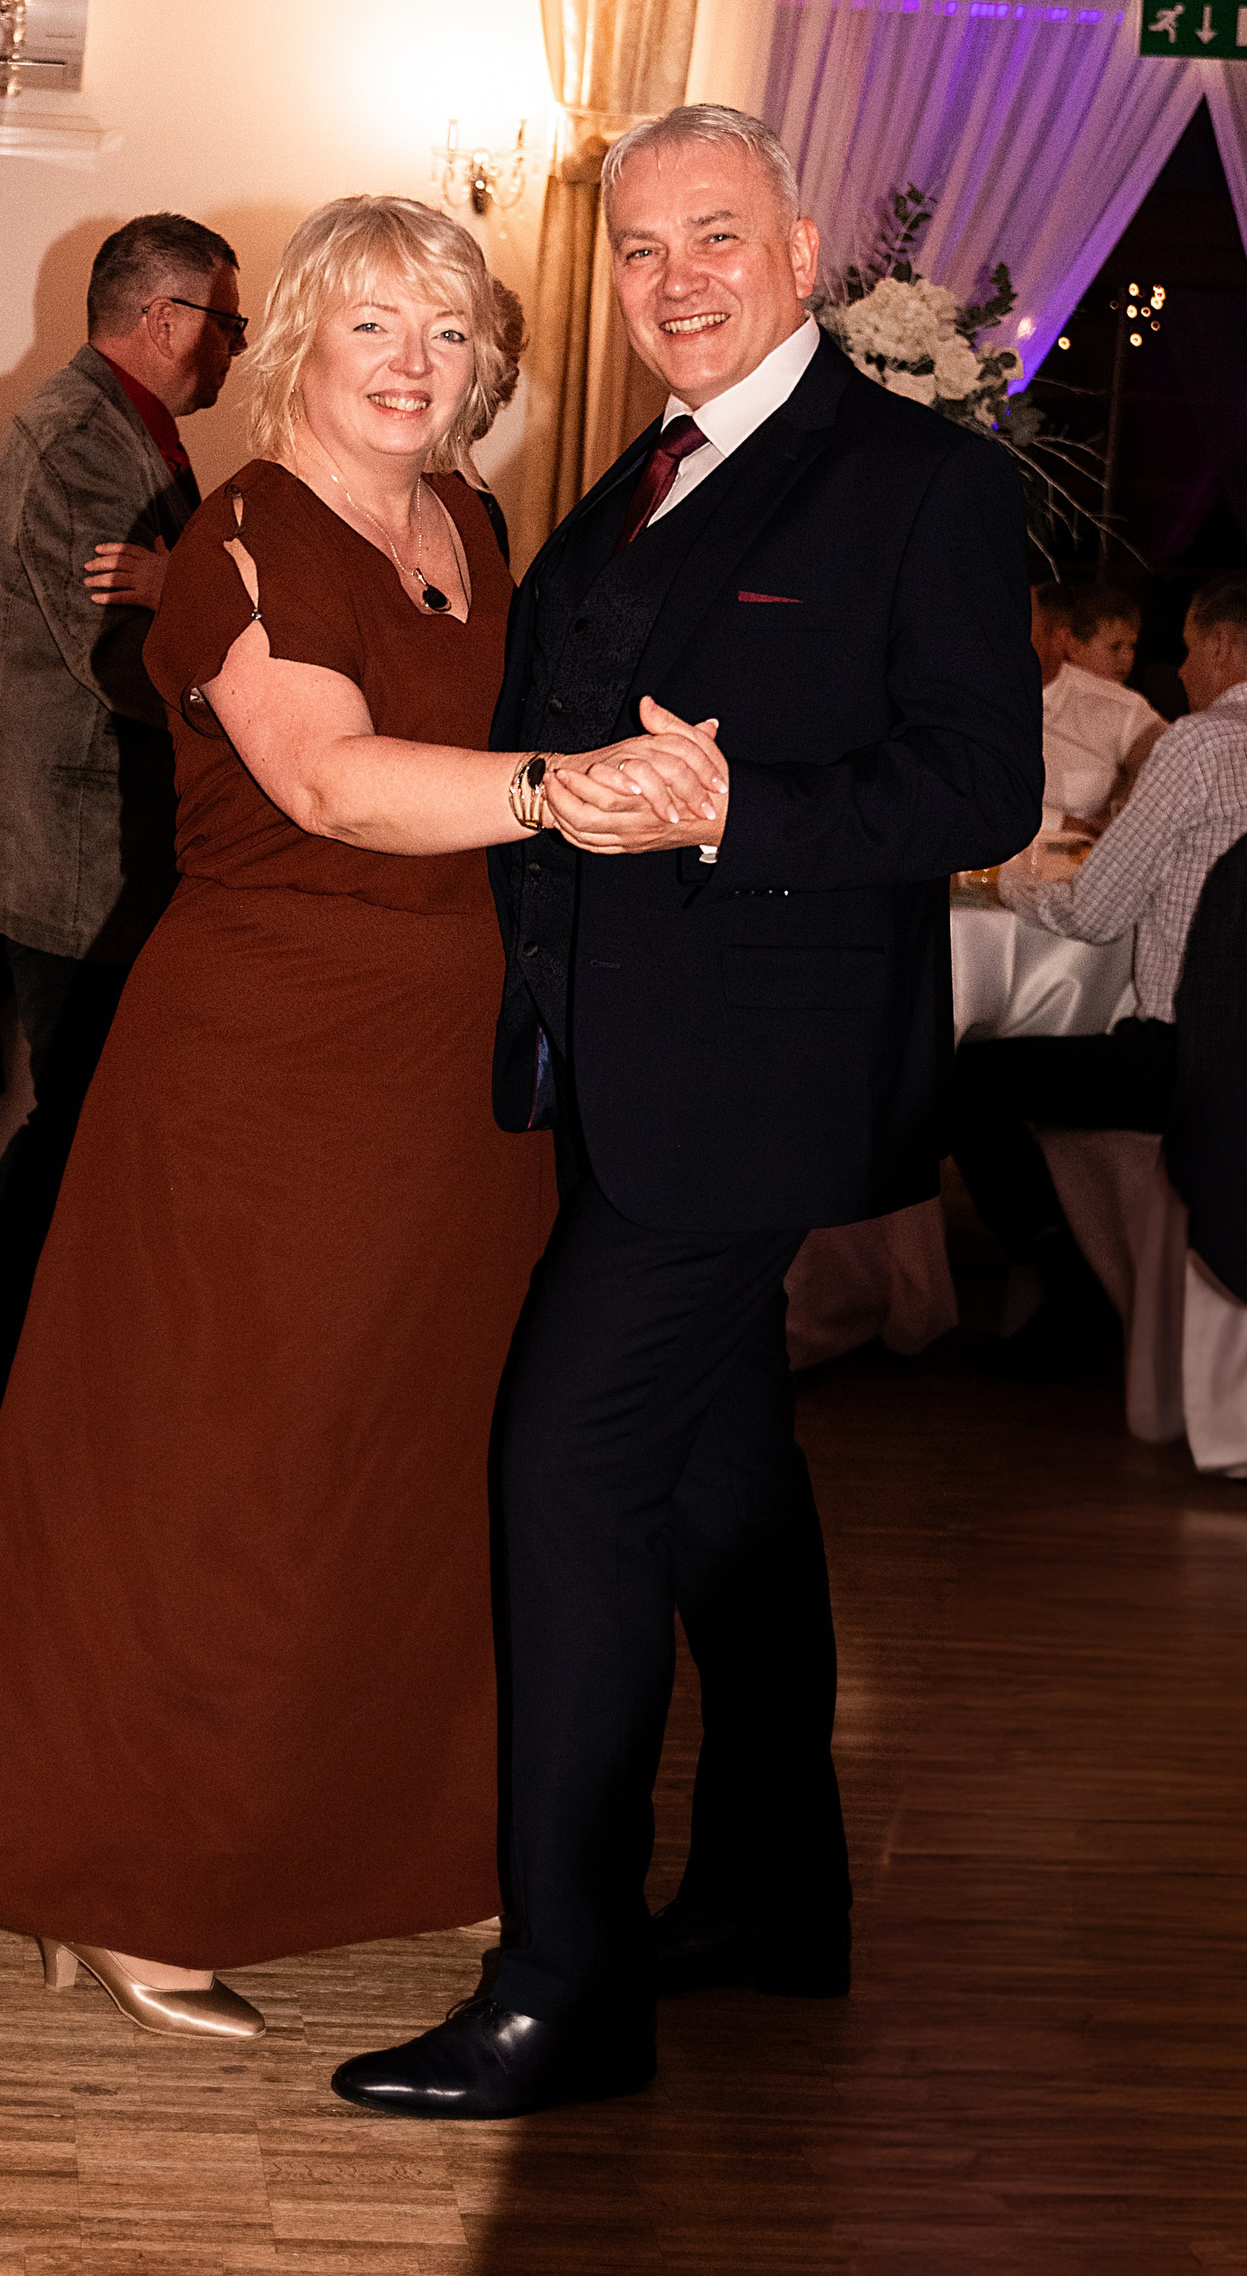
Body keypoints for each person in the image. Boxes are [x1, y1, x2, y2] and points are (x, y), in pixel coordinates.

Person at [0, 195, 724, 2043]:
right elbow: (336, 784)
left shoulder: (473, 522)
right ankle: (121, 1882)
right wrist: (573, 789)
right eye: (374, 326)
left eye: (447, 334)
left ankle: (405, 1842)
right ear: (295, 340)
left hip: (459, 1082)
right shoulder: (239, 536)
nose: (413, 366)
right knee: (226, 1471)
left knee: (422, 1469)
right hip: (271, 1076)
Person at [332, 105, 1044, 2123]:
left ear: (801, 251)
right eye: (638, 250)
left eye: (714, 237)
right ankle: (772, 1891)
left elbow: (982, 786)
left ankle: (568, 1985)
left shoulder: (919, 481)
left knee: (568, 1475)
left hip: (753, 1085)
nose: (675, 281)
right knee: (728, 1487)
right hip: (610, 1072)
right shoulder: (638, 477)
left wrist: (744, 814)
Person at [0, 215, 242, 1520]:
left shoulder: (119, 428)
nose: (236, 350)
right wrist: (235, 625)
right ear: (166, 317)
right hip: (75, 851)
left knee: (80, 1133)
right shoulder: (82, 439)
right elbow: (119, 662)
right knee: (77, 1136)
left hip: (84, 844)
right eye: (228, 324)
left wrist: (189, 584)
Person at [950, 569, 1247, 1364]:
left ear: (1225, 645)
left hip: (1185, 1058)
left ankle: (1070, 1288)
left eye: (1191, 648)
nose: (1184, 669)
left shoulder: (1196, 745)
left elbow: (1094, 913)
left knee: (965, 1080)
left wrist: (1001, 884)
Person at [1032, 580, 1163, 836]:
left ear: (1059, 639)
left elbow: (1173, 774)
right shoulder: (972, 701)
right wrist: (1062, 823)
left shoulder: (1120, 709)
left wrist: (1115, 827)